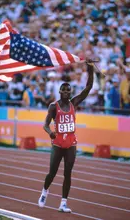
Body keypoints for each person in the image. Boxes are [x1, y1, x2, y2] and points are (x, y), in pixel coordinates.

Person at [38, 61, 94, 213]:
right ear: (59, 92)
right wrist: (50, 132)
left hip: (71, 143)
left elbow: (88, 88)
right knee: (52, 172)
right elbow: (45, 124)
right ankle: (44, 191)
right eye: (63, 90)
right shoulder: (53, 106)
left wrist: (91, 70)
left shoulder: (73, 103)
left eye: (68, 91)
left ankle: (63, 203)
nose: (66, 93)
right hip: (57, 143)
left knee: (68, 173)